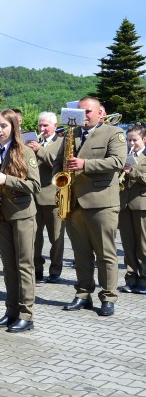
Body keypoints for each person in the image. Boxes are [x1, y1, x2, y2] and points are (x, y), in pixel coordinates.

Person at [56, 96, 126, 316]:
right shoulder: (71, 133)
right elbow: (56, 161)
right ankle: (83, 293)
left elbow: (118, 162)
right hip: (75, 202)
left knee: (105, 253)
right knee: (80, 253)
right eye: (80, 112)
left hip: (101, 202)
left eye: (87, 112)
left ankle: (108, 296)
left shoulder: (113, 133)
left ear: (100, 114)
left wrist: (85, 164)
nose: (83, 116)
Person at [0, 109, 40, 333]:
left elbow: (34, 186)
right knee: (9, 266)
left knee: (24, 266)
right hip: (1, 213)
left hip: (22, 214)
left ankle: (26, 315)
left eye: (4, 126)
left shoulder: (25, 151)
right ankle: (11, 311)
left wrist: (5, 179)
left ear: (14, 128)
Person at [26, 112, 65, 284]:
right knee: (34, 237)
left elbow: (58, 164)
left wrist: (39, 150)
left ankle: (55, 270)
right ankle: (37, 269)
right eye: (40, 125)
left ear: (55, 126)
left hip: (52, 196)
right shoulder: (35, 142)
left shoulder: (62, 142)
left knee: (56, 237)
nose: (42, 129)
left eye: (45, 126)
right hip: (33, 197)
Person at [118, 123, 146, 294]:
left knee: (143, 245)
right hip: (125, 204)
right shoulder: (125, 155)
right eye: (128, 140)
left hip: (142, 204)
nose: (131, 143)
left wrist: (132, 172)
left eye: (134, 140)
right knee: (128, 245)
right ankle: (131, 277)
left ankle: (144, 278)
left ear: (144, 139)